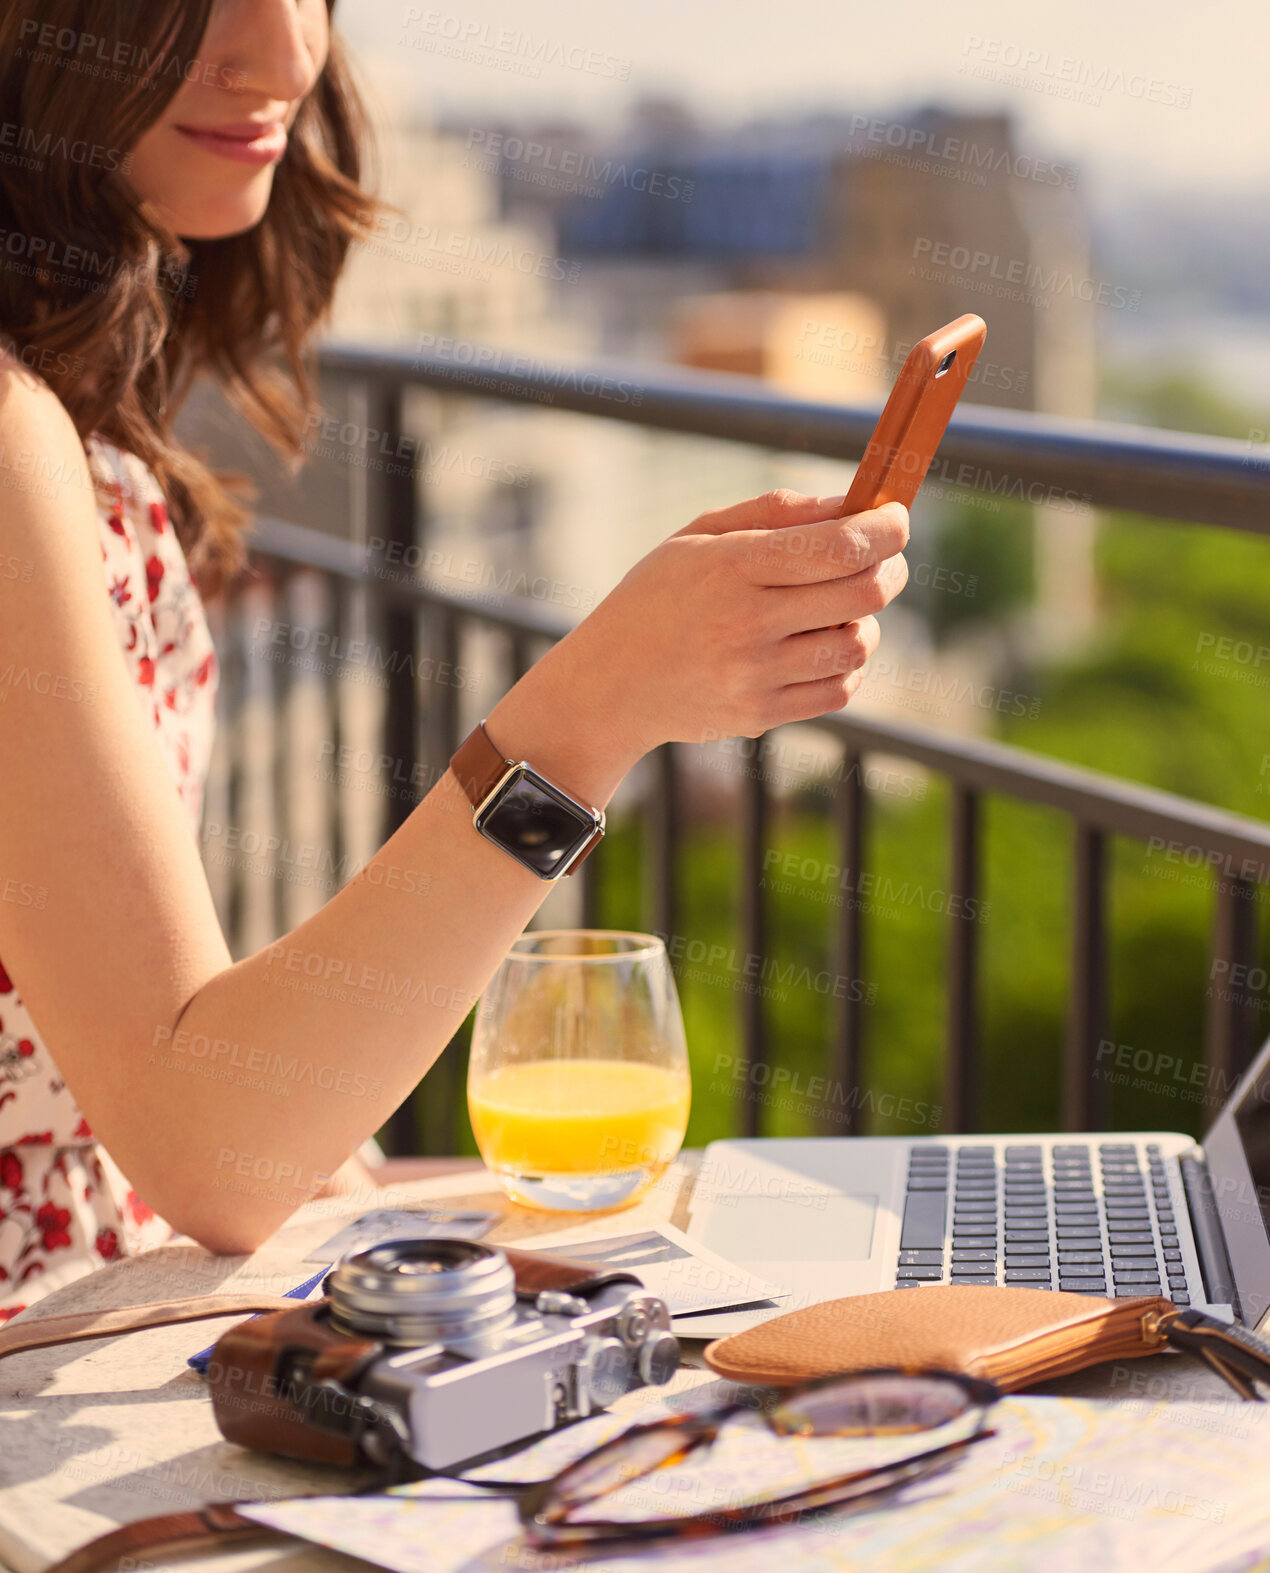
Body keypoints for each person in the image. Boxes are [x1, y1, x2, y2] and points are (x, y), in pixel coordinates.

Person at [0, 0, 909, 1319]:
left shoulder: (61, 396)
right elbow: (203, 1146)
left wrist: (310, 1131)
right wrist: (585, 714)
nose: (286, 55)